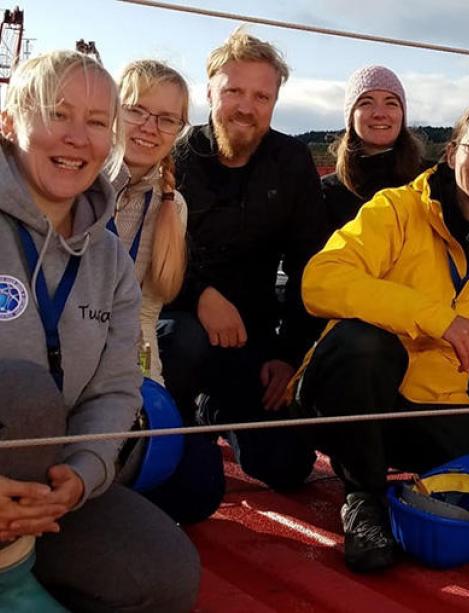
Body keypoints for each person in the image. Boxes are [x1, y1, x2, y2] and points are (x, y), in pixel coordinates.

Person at [292, 102, 469, 573]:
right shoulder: (396, 209)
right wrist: (438, 320)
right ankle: (363, 496)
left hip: (433, 407)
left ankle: (411, 494)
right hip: (350, 397)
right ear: (451, 153)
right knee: (364, 344)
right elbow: (320, 281)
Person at [0, 50, 199, 611]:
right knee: (23, 393)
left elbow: (115, 387)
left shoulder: (108, 258)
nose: (77, 138)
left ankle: (21, 555)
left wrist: (84, 473)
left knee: (166, 578)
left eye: (94, 122)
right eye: (57, 113)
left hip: (49, 483)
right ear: (10, 121)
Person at [159, 28, 328, 523]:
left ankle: (215, 410)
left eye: (261, 96)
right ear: (210, 91)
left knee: (288, 466)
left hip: (249, 336)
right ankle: (177, 419)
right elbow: (142, 249)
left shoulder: (291, 161)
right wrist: (200, 294)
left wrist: (288, 354)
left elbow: (309, 264)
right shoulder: (176, 156)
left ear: (275, 102)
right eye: (234, 91)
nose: (246, 107)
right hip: (177, 327)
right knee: (193, 493)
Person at [109, 59, 190, 384]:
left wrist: (151, 380)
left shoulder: (171, 206)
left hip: (117, 356)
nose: (149, 127)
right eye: (136, 111)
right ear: (113, 111)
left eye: (167, 119)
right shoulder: (74, 182)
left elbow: (143, 316)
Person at [322, 64, 425, 231]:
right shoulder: (327, 192)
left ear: (402, 114)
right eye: (366, 103)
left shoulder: (432, 181)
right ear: (351, 116)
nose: (379, 113)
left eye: (391, 103)